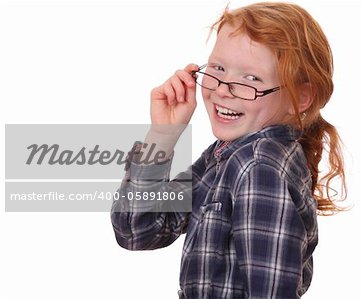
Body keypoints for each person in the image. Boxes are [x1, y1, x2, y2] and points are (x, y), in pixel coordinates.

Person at [111, 2, 347, 298]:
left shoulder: (259, 166)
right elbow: (138, 230)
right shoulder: (227, 153)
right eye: (219, 68)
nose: (223, 89)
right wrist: (163, 133)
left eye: (251, 79)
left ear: (299, 98)